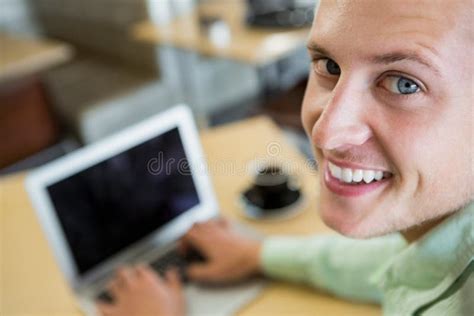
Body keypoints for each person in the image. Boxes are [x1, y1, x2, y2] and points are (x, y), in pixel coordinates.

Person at [97, 0, 474, 315]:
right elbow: (398, 265)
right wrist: (260, 255)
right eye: (329, 66)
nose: (326, 132)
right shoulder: (440, 231)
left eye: (404, 84)